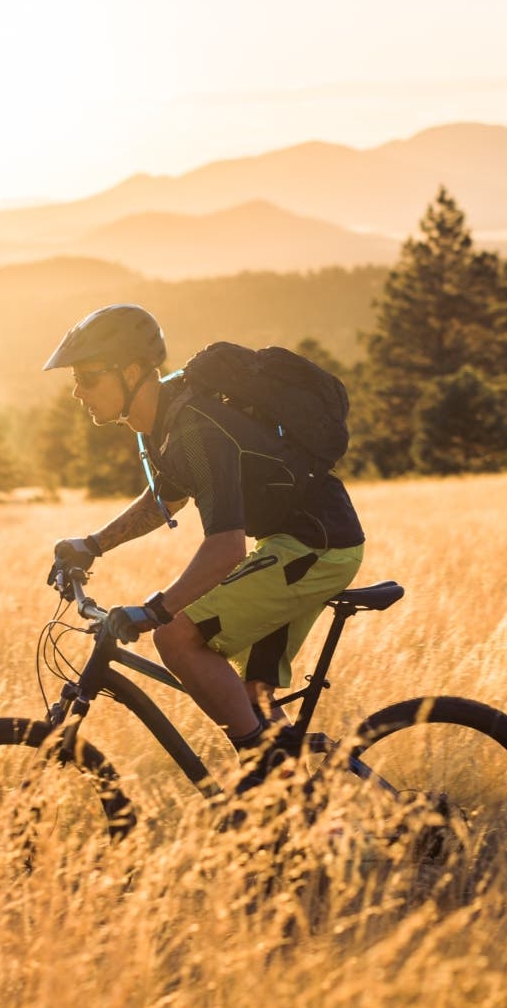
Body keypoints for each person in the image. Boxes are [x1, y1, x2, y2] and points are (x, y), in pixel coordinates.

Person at [42, 304, 366, 762]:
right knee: (255, 696)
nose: (77, 391)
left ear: (131, 371)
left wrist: (155, 610)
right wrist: (93, 545)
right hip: (293, 545)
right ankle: (297, 810)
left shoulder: (194, 427)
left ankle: (260, 771)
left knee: (175, 638)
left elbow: (226, 548)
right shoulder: (167, 419)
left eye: (88, 377)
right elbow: (168, 498)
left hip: (316, 546)